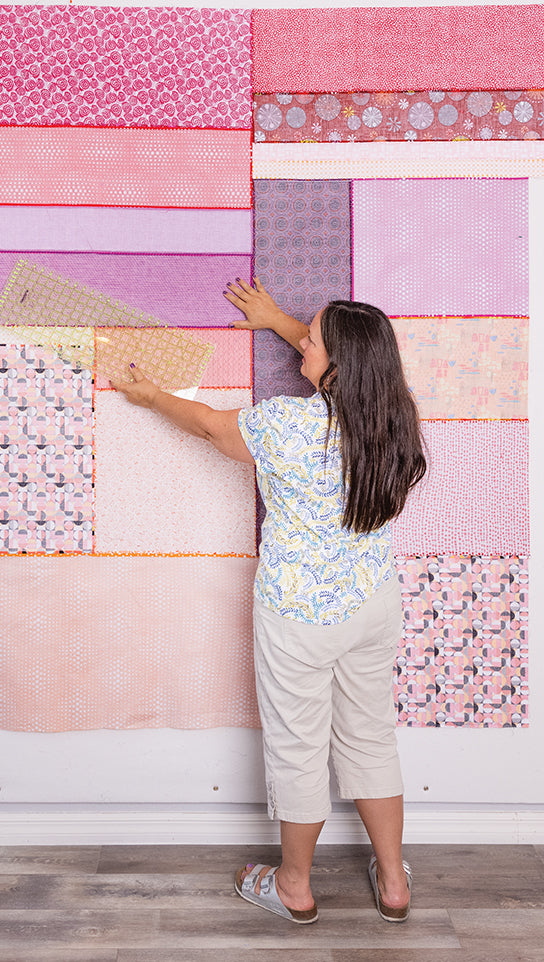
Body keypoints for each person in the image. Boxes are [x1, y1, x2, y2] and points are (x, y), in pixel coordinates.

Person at [111, 278, 426, 926]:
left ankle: (294, 886)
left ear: (337, 364)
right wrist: (279, 320)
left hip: (298, 616)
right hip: (371, 603)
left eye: (310, 338)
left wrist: (149, 396)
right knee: (370, 738)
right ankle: (394, 882)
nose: (299, 342)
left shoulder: (285, 426)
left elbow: (205, 425)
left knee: (299, 748)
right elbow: (349, 370)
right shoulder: (395, 420)